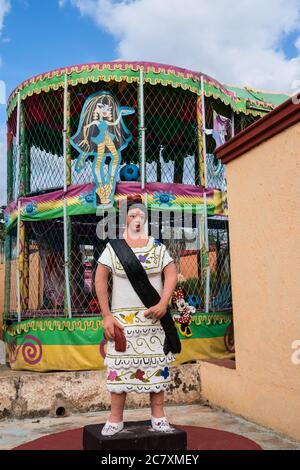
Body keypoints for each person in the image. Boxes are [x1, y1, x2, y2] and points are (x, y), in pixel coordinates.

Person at [95, 198, 178, 436]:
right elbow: (100, 278)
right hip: (122, 324)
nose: (137, 220)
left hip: (154, 322)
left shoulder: (158, 247)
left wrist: (164, 302)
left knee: (156, 368)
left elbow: (171, 273)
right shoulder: (114, 249)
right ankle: (115, 418)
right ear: (125, 219)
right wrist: (106, 316)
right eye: (132, 216)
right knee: (119, 369)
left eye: (141, 215)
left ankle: (158, 416)